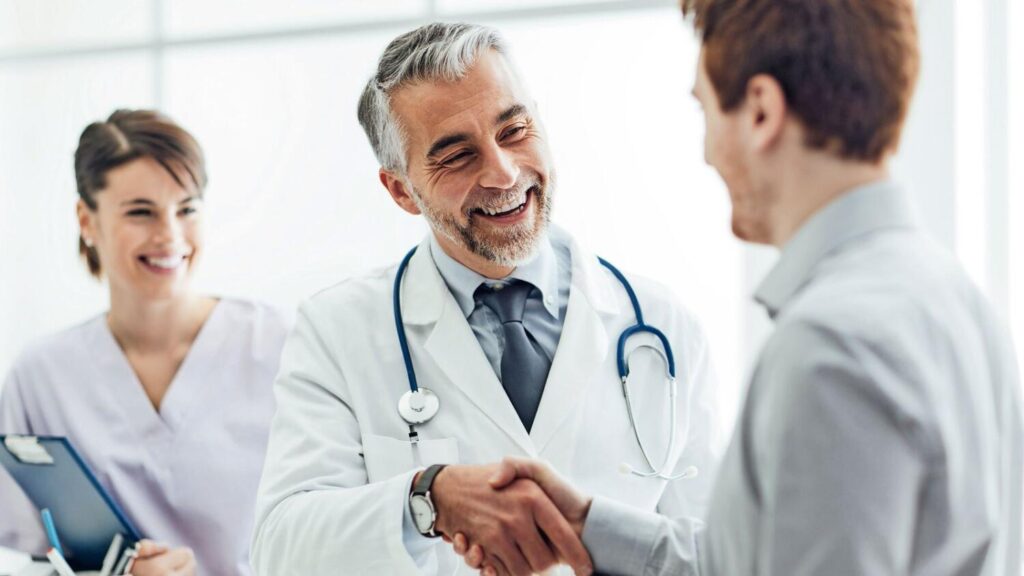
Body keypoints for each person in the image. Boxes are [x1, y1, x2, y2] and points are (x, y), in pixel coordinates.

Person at [454, 0, 1024, 574]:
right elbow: (759, 557)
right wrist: (584, 526)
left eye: (705, 110)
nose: (706, 153)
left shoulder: (831, 346)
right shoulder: (954, 297)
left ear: (760, 112)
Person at [250, 22, 721, 576]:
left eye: (514, 130)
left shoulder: (663, 325)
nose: (502, 172)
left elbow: (715, 550)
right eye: (456, 156)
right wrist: (427, 496)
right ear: (402, 189)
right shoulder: (338, 330)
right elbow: (279, 548)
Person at [0, 109, 291, 576]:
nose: (170, 235)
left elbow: (332, 526)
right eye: (141, 212)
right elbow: (30, 560)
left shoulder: (280, 346)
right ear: (86, 220)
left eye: (187, 209)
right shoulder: (41, 376)